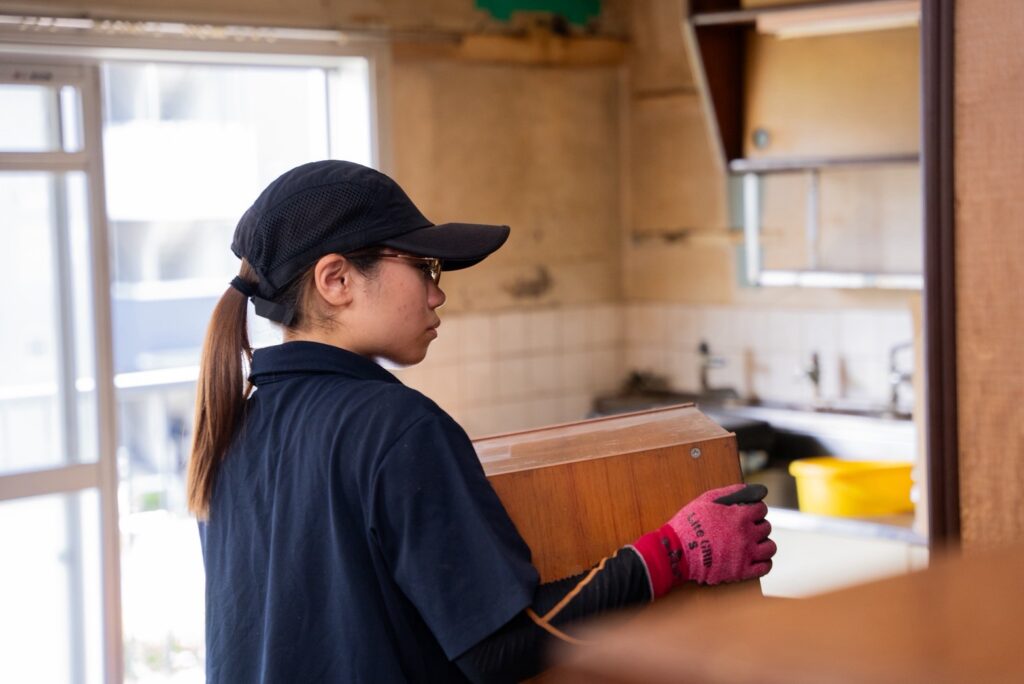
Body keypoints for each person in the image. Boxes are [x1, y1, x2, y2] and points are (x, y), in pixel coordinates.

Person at [187, 160, 777, 683]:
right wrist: (676, 551)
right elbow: (500, 649)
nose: (437, 295)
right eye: (423, 267)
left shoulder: (231, 430)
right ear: (336, 279)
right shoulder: (394, 427)